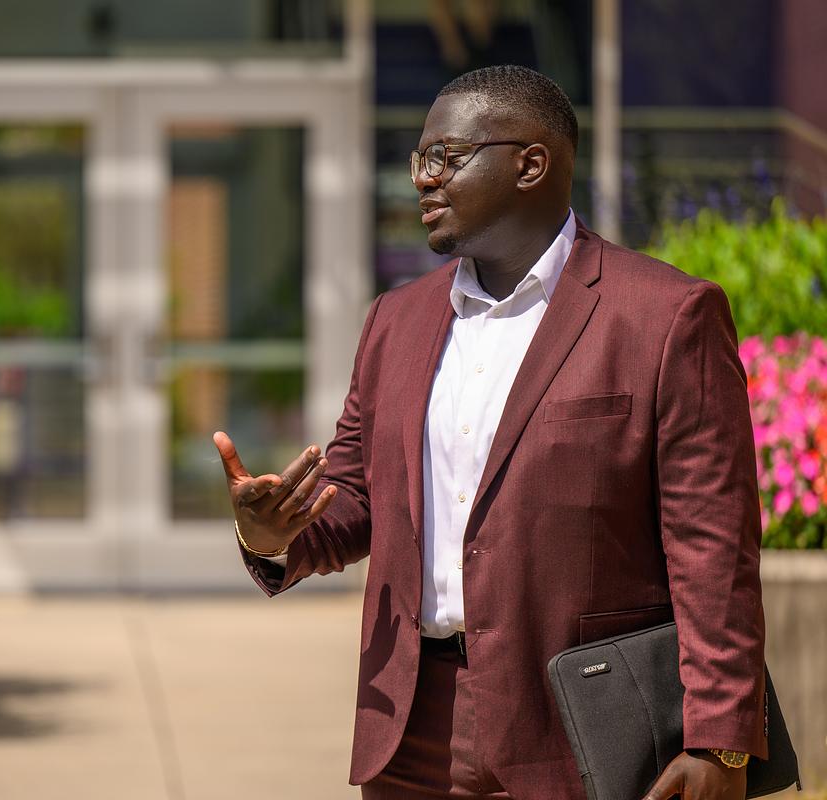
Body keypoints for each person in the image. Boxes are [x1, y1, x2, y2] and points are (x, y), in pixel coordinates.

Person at [214, 65, 765, 800]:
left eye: (444, 157)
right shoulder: (395, 322)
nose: (421, 180)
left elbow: (714, 546)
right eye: (418, 160)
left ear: (530, 163)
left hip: (581, 727)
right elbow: (353, 501)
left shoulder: (665, 317)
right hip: (411, 731)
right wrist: (272, 532)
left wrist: (720, 741)